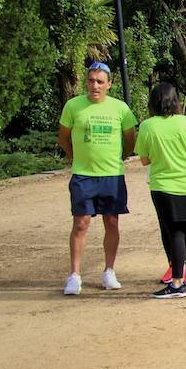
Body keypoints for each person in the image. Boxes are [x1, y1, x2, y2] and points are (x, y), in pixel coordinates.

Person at [56, 60, 137, 296]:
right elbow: (63, 138)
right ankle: (74, 275)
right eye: (91, 81)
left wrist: (121, 156)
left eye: (100, 82)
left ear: (109, 84)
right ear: (86, 82)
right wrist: (74, 157)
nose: (95, 85)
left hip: (112, 175)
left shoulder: (120, 108)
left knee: (112, 222)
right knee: (81, 223)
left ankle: (109, 271)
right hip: (83, 176)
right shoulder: (73, 106)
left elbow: (130, 139)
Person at [134, 82, 186, 299]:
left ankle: (177, 283)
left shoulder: (148, 126)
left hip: (165, 187)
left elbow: (144, 159)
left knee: (175, 232)